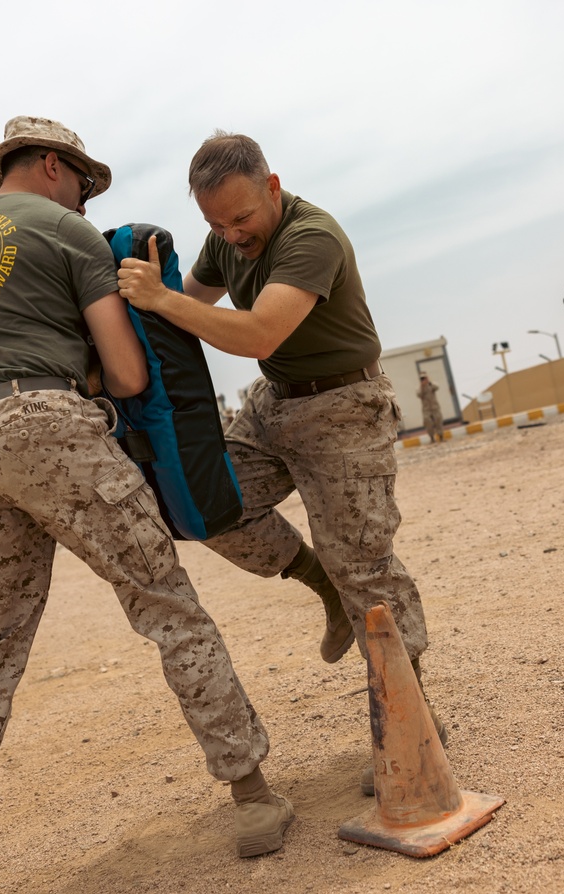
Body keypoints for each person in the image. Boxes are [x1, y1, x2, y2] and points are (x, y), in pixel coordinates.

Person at [0, 117, 293, 894]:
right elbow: (131, 374)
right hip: (45, 427)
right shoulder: (71, 236)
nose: (84, 200)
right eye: (81, 184)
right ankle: (252, 794)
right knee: (167, 605)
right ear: (48, 165)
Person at [116, 132, 445, 793]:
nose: (232, 235)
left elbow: (259, 332)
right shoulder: (225, 240)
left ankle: (414, 725)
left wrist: (160, 298)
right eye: (216, 223)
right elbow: (194, 315)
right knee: (204, 503)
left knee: (366, 570)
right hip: (274, 405)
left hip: (344, 407)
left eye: (241, 218)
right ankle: (318, 583)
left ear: (272, 186)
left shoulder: (310, 236)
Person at [418, 373, 445, 442]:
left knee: (438, 422)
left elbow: (437, 387)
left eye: (424, 378)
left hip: (435, 407)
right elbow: (419, 394)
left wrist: (429, 382)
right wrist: (422, 386)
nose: (423, 380)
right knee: (428, 423)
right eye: (422, 379)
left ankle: (441, 436)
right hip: (426, 409)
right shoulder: (420, 388)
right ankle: (432, 438)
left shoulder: (431, 385)